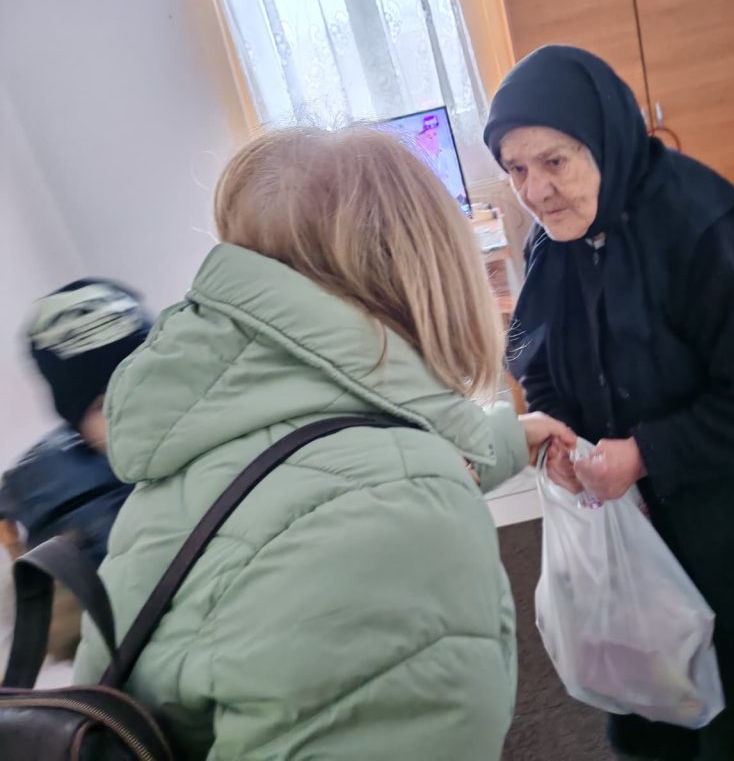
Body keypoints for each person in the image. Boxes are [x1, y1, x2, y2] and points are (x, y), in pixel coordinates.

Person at [73, 127, 575, 760]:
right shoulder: (399, 527)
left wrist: (500, 440)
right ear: (430, 271)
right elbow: (360, 500)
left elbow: (315, 466)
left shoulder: (204, 436)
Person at [484, 46, 734, 760]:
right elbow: (537, 363)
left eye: (554, 161)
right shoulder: (555, 240)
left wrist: (644, 453)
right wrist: (560, 442)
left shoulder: (698, 223)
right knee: (639, 703)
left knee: (728, 709)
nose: (537, 191)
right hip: (633, 511)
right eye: (516, 170)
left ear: (603, 138)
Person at [0, 279, 151, 659]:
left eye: (146, 383)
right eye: (102, 406)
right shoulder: (64, 507)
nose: (132, 410)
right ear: (77, 427)